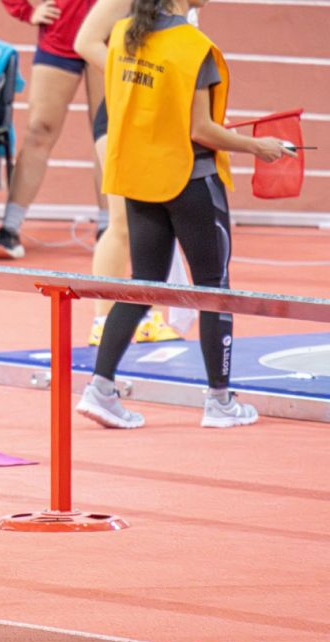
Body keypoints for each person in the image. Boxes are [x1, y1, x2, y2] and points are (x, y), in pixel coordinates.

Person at [76, 0, 293, 430]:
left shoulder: (123, 36)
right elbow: (201, 130)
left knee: (143, 285)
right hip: (191, 181)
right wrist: (258, 146)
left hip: (139, 180)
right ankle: (220, 400)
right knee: (214, 289)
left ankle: (99, 389)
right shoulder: (194, 47)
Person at [75, 0, 189, 345]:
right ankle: (102, 320)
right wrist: (135, 76)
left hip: (158, 120)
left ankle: (148, 315)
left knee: (153, 224)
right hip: (121, 116)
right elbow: (85, 42)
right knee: (122, 222)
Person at [0, 0, 101, 260]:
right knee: (39, 130)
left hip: (111, 35)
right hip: (61, 34)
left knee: (106, 133)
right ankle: (10, 227)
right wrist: (26, 9)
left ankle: (109, 228)